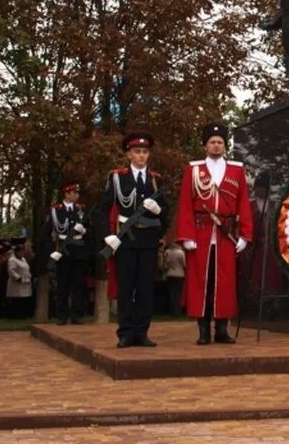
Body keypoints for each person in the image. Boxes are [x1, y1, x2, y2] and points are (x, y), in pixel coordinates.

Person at [176, 123, 253, 345]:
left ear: (225, 145)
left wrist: (245, 235)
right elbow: (185, 205)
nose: (216, 146)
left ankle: (221, 329)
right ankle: (203, 331)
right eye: (212, 142)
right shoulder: (193, 170)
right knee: (202, 282)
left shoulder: (237, 170)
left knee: (225, 283)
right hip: (200, 233)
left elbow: (243, 204)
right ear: (205, 145)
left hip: (225, 234)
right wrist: (186, 236)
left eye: (220, 142)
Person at [97, 131, 169, 348]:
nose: (141, 156)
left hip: (147, 240)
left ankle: (142, 332)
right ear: (128, 154)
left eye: (145, 152)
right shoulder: (117, 177)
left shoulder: (156, 179)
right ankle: (126, 333)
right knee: (126, 288)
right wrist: (108, 235)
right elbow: (102, 210)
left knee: (146, 288)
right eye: (137, 151)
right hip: (125, 240)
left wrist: (159, 209)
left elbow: (166, 211)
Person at [41, 179, 90, 325]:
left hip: (78, 250)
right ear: (67, 193)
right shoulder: (56, 211)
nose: (76, 195)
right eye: (74, 193)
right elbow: (46, 233)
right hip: (62, 250)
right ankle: (61, 315)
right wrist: (51, 251)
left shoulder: (81, 210)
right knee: (62, 285)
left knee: (78, 284)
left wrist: (85, 231)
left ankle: (77, 315)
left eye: (77, 193)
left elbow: (90, 233)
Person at [6, 241, 32, 318]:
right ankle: (16, 315)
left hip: (25, 281)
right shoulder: (12, 260)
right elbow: (11, 270)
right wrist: (18, 278)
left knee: (24, 299)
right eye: (20, 251)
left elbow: (26, 268)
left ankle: (23, 314)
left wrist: (29, 276)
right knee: (17, 300)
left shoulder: (23, 259)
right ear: (16, 252)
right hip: (16, 283)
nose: (21, 253)